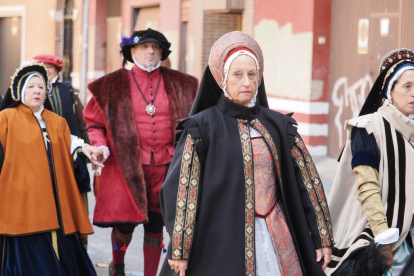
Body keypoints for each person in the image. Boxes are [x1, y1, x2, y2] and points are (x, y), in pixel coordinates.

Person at [160, 31, 333, 276]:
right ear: (222, 78)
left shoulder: (280, 127)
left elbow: (309, 183)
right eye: (238, 75)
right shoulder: (202, 128)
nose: (247, 83)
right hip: (220, 241)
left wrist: (322, 237)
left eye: (252, 75)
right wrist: (180, 248)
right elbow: (183, 189)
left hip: (277, 237)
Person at [83, 28, 198, 276]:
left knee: (157, 223)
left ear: (162, 53)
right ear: (132, 51)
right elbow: (94, 123)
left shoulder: (183, 84)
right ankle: (118, 266)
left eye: (155, 48)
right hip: (126, 166)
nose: (150, 52)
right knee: (124, 223)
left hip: (168, 166)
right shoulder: (111, 85)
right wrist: (99, 145)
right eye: (144, 47)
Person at [0, 63, 97, 276]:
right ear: (19, 91)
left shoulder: (57, 121)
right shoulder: (6, 118)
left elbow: (69, 144)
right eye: (31, 87)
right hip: (22, 205)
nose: (37, 91)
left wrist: (87, 149)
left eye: (41, 87)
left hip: (56, 206)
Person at [326, 48, 414, 276]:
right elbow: (367, 186)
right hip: (377, 237)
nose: (413, 93)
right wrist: (383, 240)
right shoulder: (368, 128)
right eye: (407, 86)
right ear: (390, 91)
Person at [32, 53, 92, 248]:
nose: (46, 70)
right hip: (40, 157)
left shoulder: (69, 92)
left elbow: (82, 123)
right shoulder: (28, 91)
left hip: (70, 153)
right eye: (42, 66)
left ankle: (76, 246)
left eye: (50, 67)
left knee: (73, 199)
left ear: (57, 70)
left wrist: (86, 148)